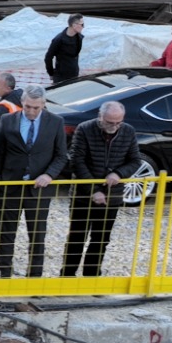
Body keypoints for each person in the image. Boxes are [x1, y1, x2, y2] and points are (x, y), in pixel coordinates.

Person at [62, 101, 142, 276]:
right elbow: (77, 161)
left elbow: (135, 160)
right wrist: (94, 190)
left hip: (112, 197)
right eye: (109, 122)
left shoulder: (128, 131)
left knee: (101, 239)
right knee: (76, 238)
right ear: (100, 116)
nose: (114, 126)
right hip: (83, 195)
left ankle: (92, 276)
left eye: (118, 123)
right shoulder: (84, 129)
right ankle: (67, 276)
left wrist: (119, 174)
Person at [0, 88, 67, 279]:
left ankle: (34, 277)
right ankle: (4, 274)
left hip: (39, 189)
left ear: (43, 104)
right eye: (27, 107)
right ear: (22, 103)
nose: (31, 111)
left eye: (36, 107)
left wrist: (49, 175)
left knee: (37, 235)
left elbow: (61, 155)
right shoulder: (7, 120)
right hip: (10, 187)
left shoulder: (56, 122)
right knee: (7, 233)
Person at [46, 14, 87, 84]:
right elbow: (48, 58)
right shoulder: (59, 40)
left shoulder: (79, 37)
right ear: (74, 25)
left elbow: (75, 55)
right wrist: (51, 73)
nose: (83, 27)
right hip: (61, 77)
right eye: (82, 24)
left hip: (74, 75)